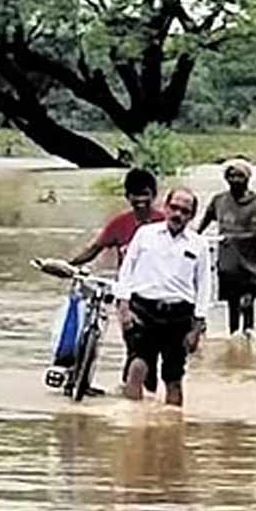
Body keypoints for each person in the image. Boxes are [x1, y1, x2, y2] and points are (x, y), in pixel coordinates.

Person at [64, 168, 166, 394]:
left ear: (154, 195)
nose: (140, 201)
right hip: (128, 295)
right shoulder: (120, 224)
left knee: (153, 353)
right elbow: (94, 249)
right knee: (134, 345)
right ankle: (131, 399)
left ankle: (143, 393)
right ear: (127, 197)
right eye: (134, 195)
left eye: (145, 195)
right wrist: (68, 266)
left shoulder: (164, 222)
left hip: (159, 294)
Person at [115, 187, 211, 406]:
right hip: (143, 309)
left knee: (173, 377)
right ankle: (133, 424)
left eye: (184, 211)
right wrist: (123, 307)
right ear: (165, 208)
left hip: (179, 315)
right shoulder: (145, 234)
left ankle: (173, 430)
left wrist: (197, 327)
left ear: (192, 216)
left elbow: (204, 286)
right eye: (174, 208)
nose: (178, 214)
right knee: (137, 366)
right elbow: (126, 270)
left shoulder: (199, 245)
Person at [199, 159, 256, 335]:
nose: (235, 179)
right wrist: (195, 238)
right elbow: (205, 220)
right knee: (232, 304)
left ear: (248, 178)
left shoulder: (255, 203)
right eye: (231, 176)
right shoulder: (219, 200)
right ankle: (234, 341)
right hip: (228, 264)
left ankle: (248, 336)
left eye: (240, 176)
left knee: (248, 303)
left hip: (250, 263)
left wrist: (233, 238)